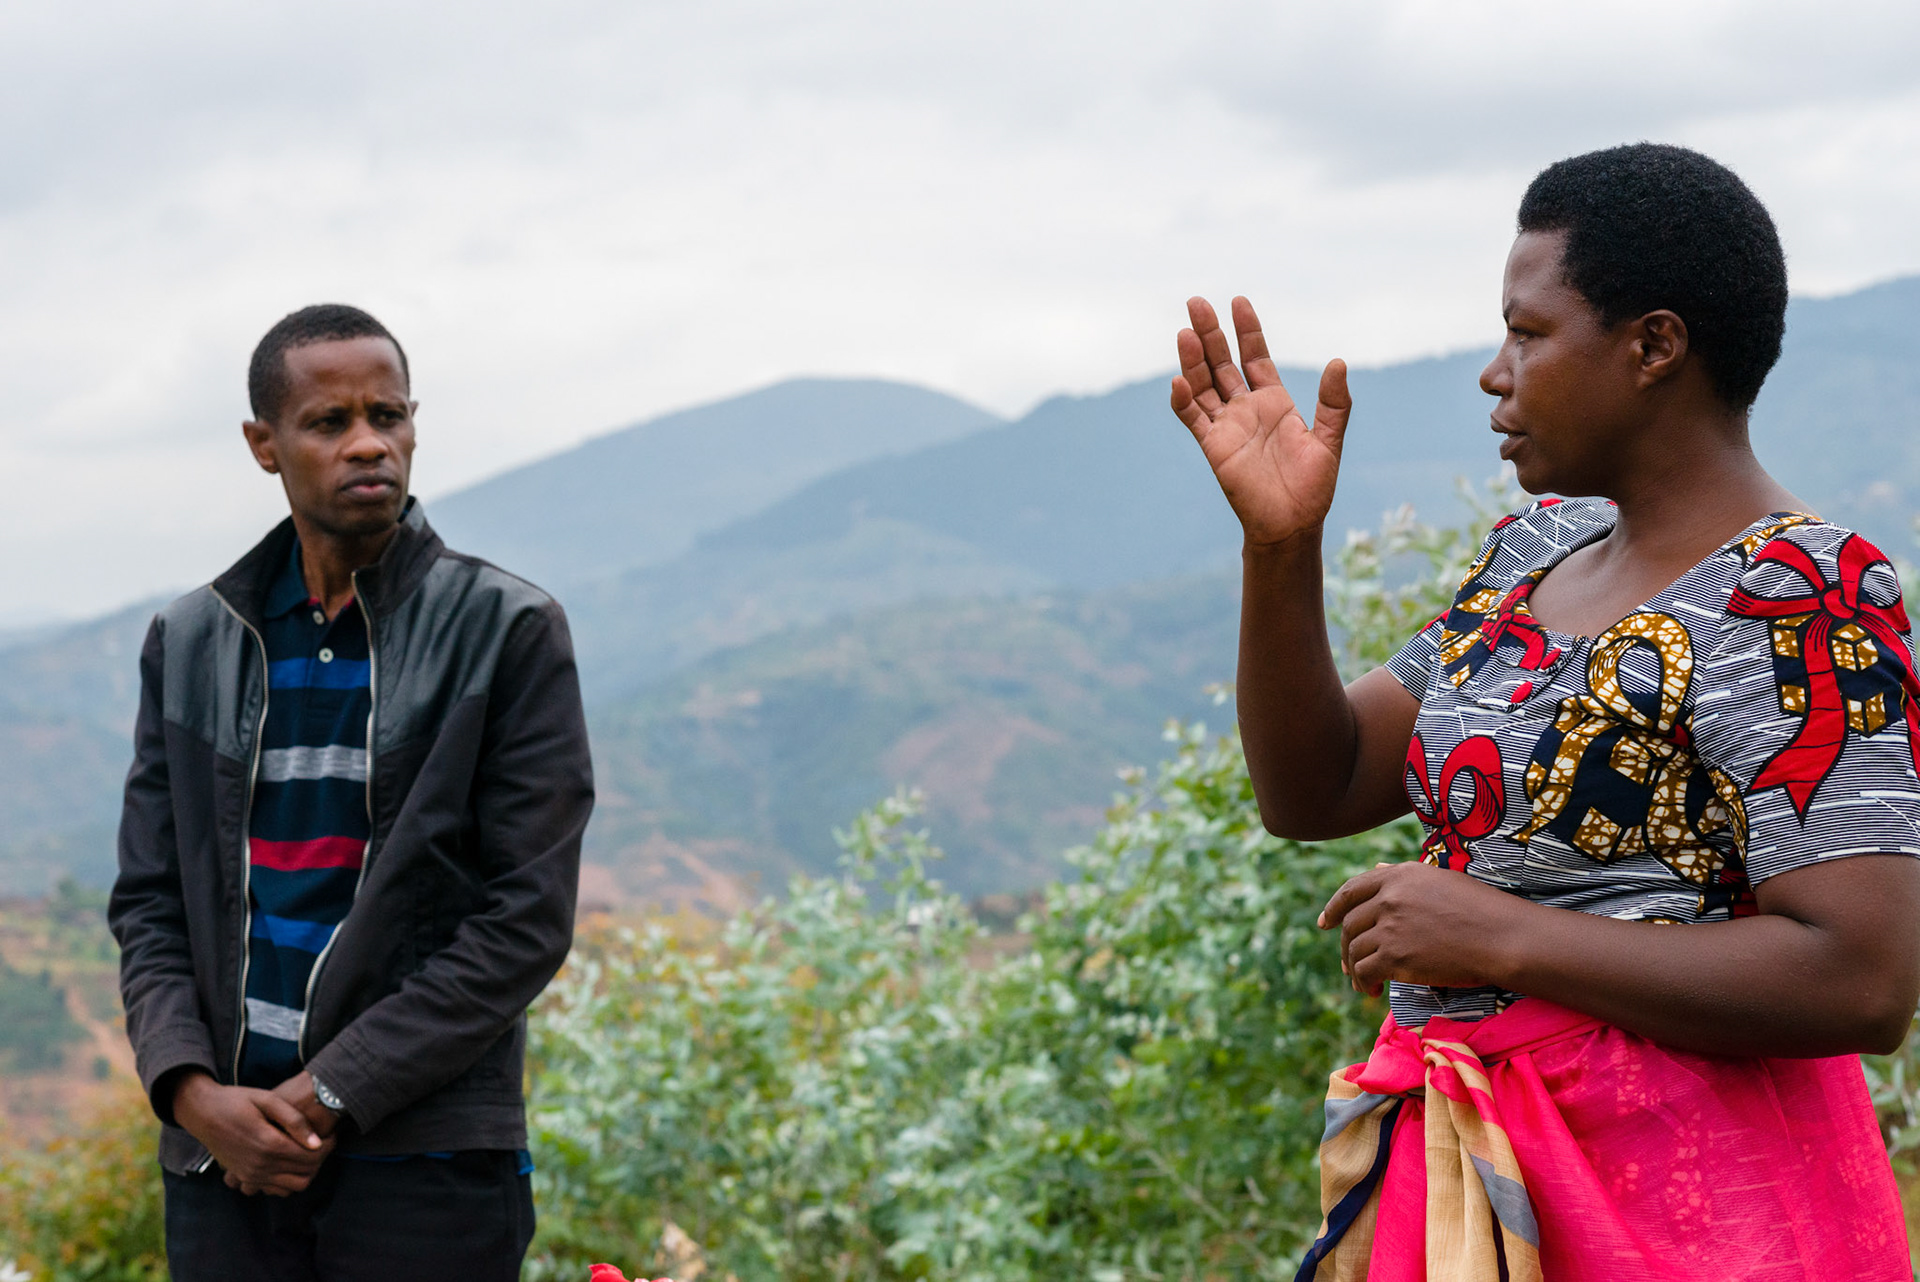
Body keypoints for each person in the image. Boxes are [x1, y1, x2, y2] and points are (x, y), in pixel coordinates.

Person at [1172, 144, 1918, 1279]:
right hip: (1497, 1195)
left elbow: (1864, 976)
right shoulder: (1536, 555)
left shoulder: (1801, 595)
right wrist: (1281, 548)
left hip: (1693, 1216)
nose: (1494, 371)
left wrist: (1500, 935)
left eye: (1528, 332)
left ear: (1653, 346)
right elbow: (1313, 787)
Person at [109, 304, 594, 1280]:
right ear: (265, 444)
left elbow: (524, 920)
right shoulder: (193, 641)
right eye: (330, 422)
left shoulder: (507, 630)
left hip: (428, 1162)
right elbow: (150, 900)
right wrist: (193, 1092)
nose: (370, 442)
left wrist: (329, 1093)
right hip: (223, 1166)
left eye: (391, 414)